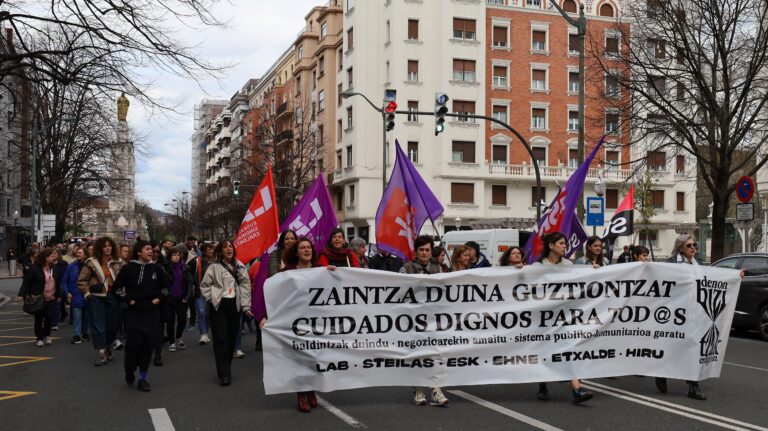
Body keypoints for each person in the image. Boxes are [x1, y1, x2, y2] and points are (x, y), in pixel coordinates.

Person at [262, 236, 334, 412]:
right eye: (302, 247)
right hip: (295, 322)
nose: (306, 250)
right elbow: (276, 296)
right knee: (300, 358)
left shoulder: (320, 270)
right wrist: (266, 317)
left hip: (316, 322)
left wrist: (333, 273)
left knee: (314, 357)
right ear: (296, 252)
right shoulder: (287, 273)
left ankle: (310, 389)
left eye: (309, 247)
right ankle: (301, 394)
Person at [534, 232, 594, 404]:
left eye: (565, 243)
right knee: (544, 351)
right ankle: (543, 384)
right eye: (561, 243)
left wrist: (594, 271)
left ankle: (577, 390)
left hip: (563, 317)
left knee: (567, 350)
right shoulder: (538, 266)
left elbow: (581, 280)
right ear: (551, 246)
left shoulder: (568, 265)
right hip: (543, 317)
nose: (564, 246)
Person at [399, 235, 448, 407]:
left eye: (427, 250)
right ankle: (417, 390)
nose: (424, 253)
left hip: (432, 318)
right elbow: (398, 290)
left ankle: (435, 389)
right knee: (415, 354)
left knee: (433, 353)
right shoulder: (406, 268)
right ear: (416, 251)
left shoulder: (438, 268)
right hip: (412, 318)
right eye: (421, 250)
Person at [112, 240, 167, 392]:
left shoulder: (157, 269)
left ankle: (143, 378)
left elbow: (166, 288)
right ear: (138, 252)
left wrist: (159, 299)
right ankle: (129, 370)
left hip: (152, 312)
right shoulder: (128, 268)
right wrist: (128, 300)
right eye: (147, 249)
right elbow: (116, 289)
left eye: (152, 249)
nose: (151, 252)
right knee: (133, 346)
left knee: (148, 346)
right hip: (134, 312)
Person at [657, 234, 706, 400]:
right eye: (689, 245)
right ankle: (661, 372)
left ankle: (693, 386)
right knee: (672, 346)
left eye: (695, 245)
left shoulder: (699, 263)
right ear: (680, 248)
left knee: (693, 347)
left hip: (694, 312)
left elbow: (712, 278)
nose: (693, 248)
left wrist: (736, 276)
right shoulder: (671, 263)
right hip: (675, 312)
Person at [200, 240, 252, 386]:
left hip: (235, 305)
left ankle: (226, 366)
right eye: (225, 247)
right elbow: (205, 286)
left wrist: (245, 306)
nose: (228, 249)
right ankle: (224, 374)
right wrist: (213, 298)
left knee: (231, 338)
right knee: (221, 339)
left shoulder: (240, 266)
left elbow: (245, 285)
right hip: (219, 306)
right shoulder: (214, 266)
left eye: (230, 246)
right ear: (220, 251)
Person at [77, 236, 125, 366]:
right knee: (98, 326)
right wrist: (87, 294)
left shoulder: (119, 261)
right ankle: (102, 353)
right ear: (100, 248)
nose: (108, 248)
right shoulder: (91, 262)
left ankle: (108, 345)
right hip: (97, 297)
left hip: (114, 296)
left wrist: (125, 292)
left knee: (113, 326)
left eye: (110, 245)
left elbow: (126, 278)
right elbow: (82, 280)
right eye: (104, 246)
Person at [18, 248, 62, 346]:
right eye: (51, 256)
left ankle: (47, 335)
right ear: (45, 257)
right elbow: (27, 281)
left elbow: (58, 282)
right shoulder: (35, 268)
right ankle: (39, 338)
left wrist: (59, 294)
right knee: (39, 318)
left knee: (49, 317)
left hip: (51, 297)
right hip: (39, 297)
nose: (54, 257)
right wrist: (21, 294)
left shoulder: (54, 268)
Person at [165, 247, 192, 352]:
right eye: (174, 255)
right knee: (170, 321)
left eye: (178, 255)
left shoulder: (185, 267)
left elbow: (189, 283)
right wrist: (165, 296)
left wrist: (187, 297)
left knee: (182, 319)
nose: (176, 257)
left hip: (182, 298)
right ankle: (172, 342)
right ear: (169, 257)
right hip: (169, 299)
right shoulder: (166, 267)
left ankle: (178, 337)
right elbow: (163, 284)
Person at [63, 246, 89, 344]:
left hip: (87, 294)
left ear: (85, 255)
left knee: (86, 316)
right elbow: (64, 281)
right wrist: (67, 292)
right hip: (75, 294)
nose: (78, 254)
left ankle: (84, 333)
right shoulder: (71, 266)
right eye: (77, 252)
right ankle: (77, 335)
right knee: (77, 316)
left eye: (80, 252)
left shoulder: (89, 266)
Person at [189, 243, 214, 344]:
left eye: (212, 249)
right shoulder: (197, 261)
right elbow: (190, 273)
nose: (211, 251)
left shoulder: (217, 261)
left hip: (213, 292)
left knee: (209, 313)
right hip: (200, 291)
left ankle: (206, 332)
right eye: (209, 249)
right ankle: (203, 334)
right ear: (203, 251)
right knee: (202, 312)